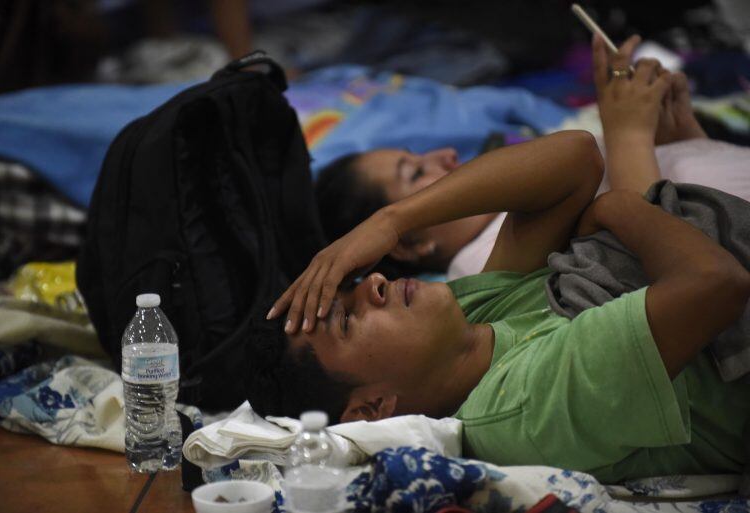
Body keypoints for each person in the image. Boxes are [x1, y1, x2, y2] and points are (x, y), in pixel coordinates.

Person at [248, 34, 750, 483]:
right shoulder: (522, 408)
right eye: (348, 318)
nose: (373, 283)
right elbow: (716, 282)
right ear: (374, 408)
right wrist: (621, 208)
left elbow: (577, 157)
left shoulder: (469, 324)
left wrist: (389, 220)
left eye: (352, 284)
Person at [315, 35, 750, 280]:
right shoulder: (484, 268)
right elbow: (644, 261)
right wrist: (628, 133)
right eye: (414, 172)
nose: (444, 154)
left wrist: (680, 134)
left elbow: (697, 199)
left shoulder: (522, 194)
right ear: (411, 244)